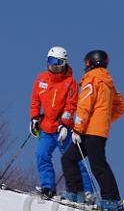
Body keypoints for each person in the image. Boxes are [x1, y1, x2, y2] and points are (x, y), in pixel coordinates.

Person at [60, 50, 124, 211]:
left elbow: (84, 104)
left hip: (90, 130)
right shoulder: (108, 82)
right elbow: (120, 106)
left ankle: (112, 200)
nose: (85, 67)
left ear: (91, 63)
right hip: (95, 130)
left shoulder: (92, 79)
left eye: (86, 63)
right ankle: (76, 194)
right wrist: (104, 119)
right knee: (69, 158)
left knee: (98, 165)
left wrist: (77, 128)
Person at [29, 46, 94, 199]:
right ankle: (48, 187)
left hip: (63, 130)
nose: (54, 66)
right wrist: (34, 118)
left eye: (58, 62)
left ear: (64, 63)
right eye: (51, 61)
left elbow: (71, 106)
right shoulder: (41, 79)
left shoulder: (70, 83)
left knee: (74, 159)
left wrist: (64, 124)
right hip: (46, 128)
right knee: (41, 155)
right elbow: (35, 100)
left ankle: (87, 191)